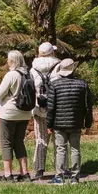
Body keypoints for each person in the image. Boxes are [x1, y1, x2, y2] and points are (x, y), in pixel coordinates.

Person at [45, 58, 93, 184]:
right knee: (75, 149)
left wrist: (49, 124)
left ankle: (59, 176)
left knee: (60, 148)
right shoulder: (82, 84)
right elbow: (88, 107)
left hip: (59, 123)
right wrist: (88, 124)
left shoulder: (55, 85)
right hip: (76, 123)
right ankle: (75, 177)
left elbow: (51, 108)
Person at [0, 49, 32, 182]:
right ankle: (24, 173)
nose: (7, 61)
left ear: (13, 61)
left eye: (8, 59)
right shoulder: (28, 74)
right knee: (19, 142)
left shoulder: (11, 75)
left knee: (6, 143)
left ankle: (8, 174)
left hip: (9, 113)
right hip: (25, 113)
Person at [30, 42, 61, 180]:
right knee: (58, 140)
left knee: (40, 139)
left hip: (39, 108)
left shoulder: (33, 69)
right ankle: (60, 168)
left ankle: (39, 168)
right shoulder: (59, 66)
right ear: (52, 53)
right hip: (56, 108)